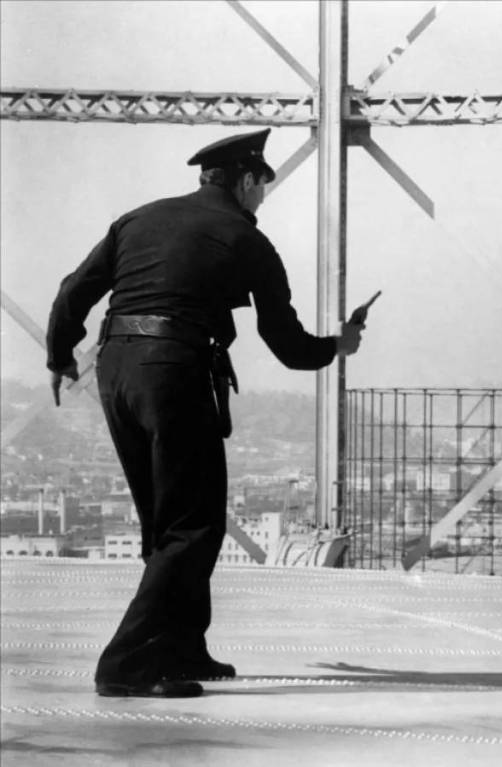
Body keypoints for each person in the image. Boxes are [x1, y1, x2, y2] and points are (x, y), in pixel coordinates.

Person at [46, 128, 366, 698]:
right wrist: (338, 345)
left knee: (164, 523)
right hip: (173, 371)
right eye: (261, 186)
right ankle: (126, 665)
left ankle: (180, 649)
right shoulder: (247, 239)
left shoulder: (136, 220)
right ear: (245, 181)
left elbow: (74, 290)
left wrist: (59, 356)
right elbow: (288, 345)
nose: (262, 197)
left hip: (115, 370)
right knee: (194, 525)